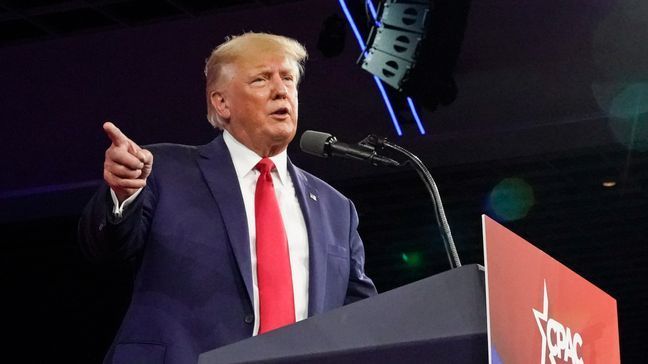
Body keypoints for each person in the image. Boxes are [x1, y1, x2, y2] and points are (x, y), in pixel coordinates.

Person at [78, 32, 377, 364]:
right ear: (222, 103)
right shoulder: (164, 171)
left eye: (288, 79)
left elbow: (359, 315)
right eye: (261, 80)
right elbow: (106, 249)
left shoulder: (336, 208)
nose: (281, 90)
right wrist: (124, 194)